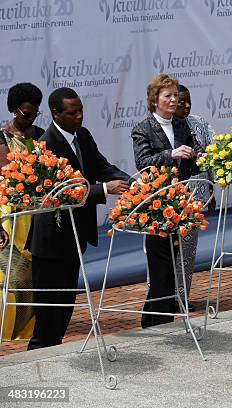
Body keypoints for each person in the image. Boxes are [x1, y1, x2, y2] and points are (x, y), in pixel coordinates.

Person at [27, 88, 130, 349]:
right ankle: (38, 354)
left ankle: (56, 350)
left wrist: (132, 181)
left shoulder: (82, 136)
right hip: (51, 241)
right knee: (49, 309)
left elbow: (101, 166)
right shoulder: (45, 144)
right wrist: (105, 190)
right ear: (56, 114)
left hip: (75, 236)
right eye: (72, 113)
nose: (79, 117)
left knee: (65, 305)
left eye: (81, 110)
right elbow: (60, 191)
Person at [131, 74, 203, 327]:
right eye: (167, 96)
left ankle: (155, 318)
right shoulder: (143, 128)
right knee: (161, 264)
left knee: (173, 264)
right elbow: (143, 164)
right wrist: (170, 153)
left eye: (175, 96)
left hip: (180, 200)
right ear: (154, 100)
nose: (174, 100)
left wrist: (203, 159)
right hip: (156, 203)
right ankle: (159, 320)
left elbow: (191, 162)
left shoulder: (182, 125)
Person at [0, 82, 44, 341]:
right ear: (15, 110)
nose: (30, 119)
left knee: (34, 273)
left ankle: (30, 327)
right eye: (26, 113)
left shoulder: (40, 135)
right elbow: (6, 175)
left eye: (34, 113)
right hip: (10, 212)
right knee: (13, 273)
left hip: (37, 212)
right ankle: (7, 328)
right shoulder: (2, 138)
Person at [171, 84, 215, 311]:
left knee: (188, 250)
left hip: (196, 195)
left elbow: (213, 154)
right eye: (181, 101)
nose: (186, 106)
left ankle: (181, 298)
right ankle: (160, 297)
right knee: (164, 250)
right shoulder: (164, 128)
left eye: (188, 101)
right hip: (168, 196)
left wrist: (212, 189)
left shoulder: (199, 123)